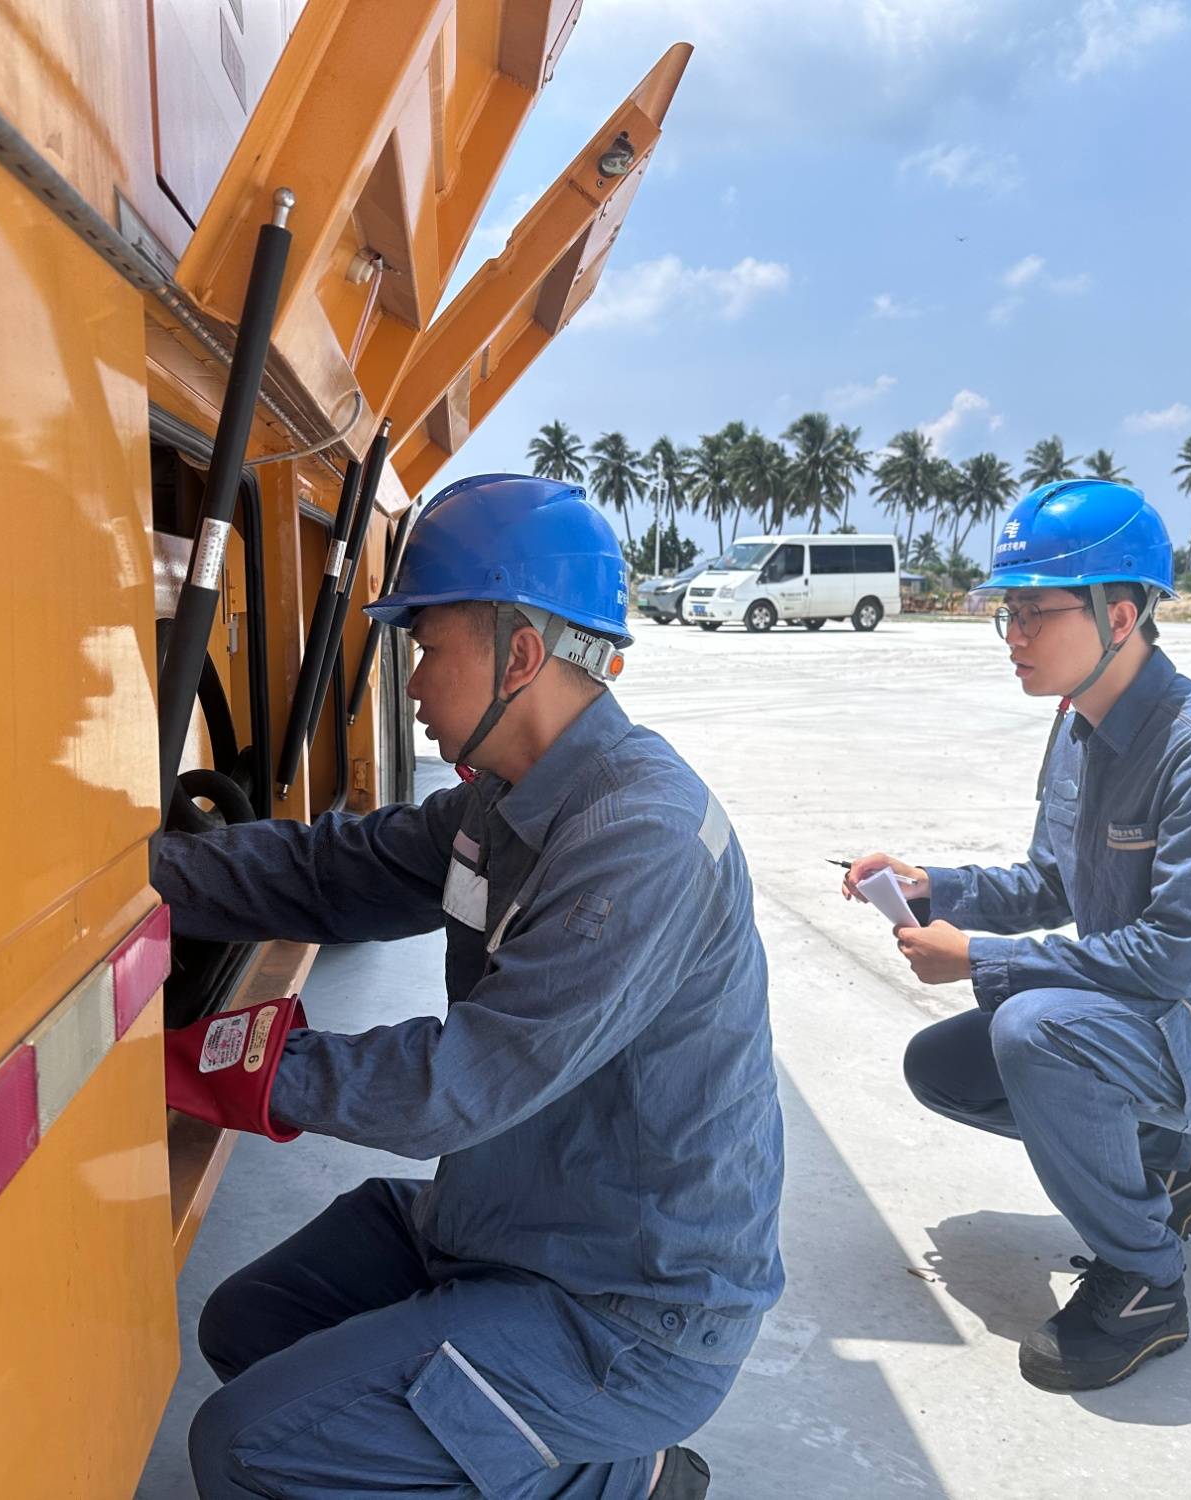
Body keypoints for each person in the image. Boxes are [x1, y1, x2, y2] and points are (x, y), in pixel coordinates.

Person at [156, 473, 784, 1498]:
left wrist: (213, 1062)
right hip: (525, 1214)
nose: (409, 685)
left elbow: (457, 1085)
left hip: (624, 1303)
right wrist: (136, 882)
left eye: (424, 648)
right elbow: (333, 874)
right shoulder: (506, 801)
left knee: (241, 1447)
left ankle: (625, 1479)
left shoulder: (640, 842)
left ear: (519, 655)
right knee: (249, 1327)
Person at [843, 479, 1191, 1393]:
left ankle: (1147, 1283)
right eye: (1007, 615)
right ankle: (1186, 1160)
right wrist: (933, 886)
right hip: (1163, 1024)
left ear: (1120, 615)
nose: (1015, 637)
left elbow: (1171, 958)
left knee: (1035, 1034)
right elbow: (1050, 882)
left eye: (1034, 612)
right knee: (945, 1067)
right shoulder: (1078, 728)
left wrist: (981, 962)